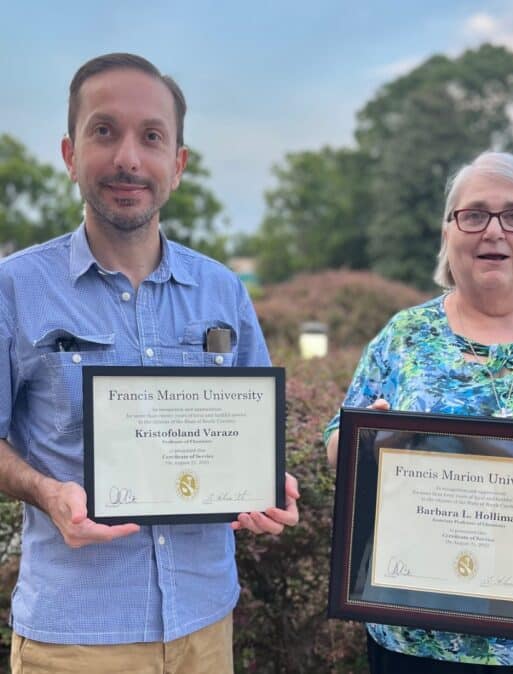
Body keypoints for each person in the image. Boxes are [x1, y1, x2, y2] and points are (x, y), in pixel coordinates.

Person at [0, 53, 299, 674]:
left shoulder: (223, 291)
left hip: (204, 626)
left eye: (152, 137)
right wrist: (47, 493)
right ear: (70, 153)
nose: (129, 158)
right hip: (74, 637)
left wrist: (270, 486)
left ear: (178, 164)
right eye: (104, 131)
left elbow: (253, 434)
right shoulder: (14, 289)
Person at [325, 151, 513, 671]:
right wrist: (369, 444)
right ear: (448, 233)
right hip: (411, 636)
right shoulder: (405, 335)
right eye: (473, 215)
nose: (492, 230)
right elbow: (340, 444)